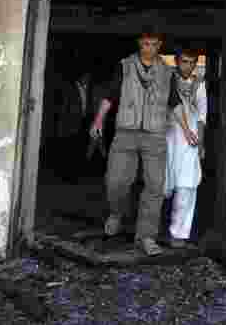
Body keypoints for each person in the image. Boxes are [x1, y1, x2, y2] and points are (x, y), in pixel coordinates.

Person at [89, 28, 173, 256]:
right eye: (146, 44)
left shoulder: (168, 72)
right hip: (126, 132)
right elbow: (109, 96)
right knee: (116, 180)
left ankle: (146, 236)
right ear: (139, 44)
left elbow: (174, 106)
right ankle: (116, 213)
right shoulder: (124, 67)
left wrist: (187, 133)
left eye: (154, 44)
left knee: (155, 187)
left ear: (160, 45)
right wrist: (98, 121)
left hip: (155, 135)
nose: (150, 48)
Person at [165, 48, 208, 248]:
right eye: (184, 61)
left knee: (186, 186)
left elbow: (202, 116)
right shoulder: (165, 80)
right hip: (166, 137)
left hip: (189, 141)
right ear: (176, 61)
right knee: (160, 185)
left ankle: (179, 234)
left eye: (191, 62)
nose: (187, 66)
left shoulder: (199, 85)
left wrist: (201, 143)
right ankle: (151, 231)